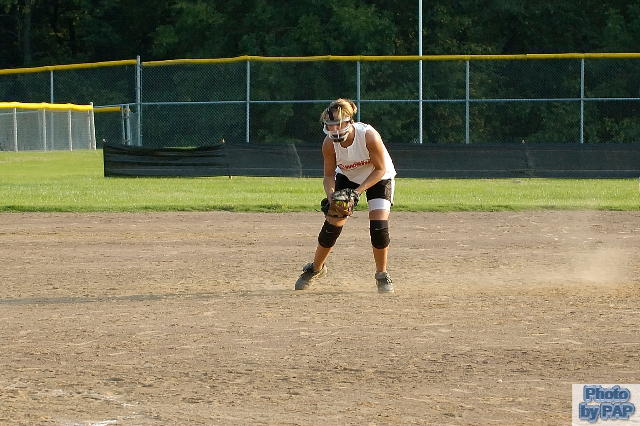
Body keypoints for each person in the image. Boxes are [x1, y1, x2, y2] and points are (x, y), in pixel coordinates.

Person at [295, 98, 397, 293]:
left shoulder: (368, 136)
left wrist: (356, 193)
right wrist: (331, 196)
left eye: (338, 124)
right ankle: (316, 268)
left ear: (350, 122)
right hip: (347, 176)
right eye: (330, 125)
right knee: (333, 223)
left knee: (378, 225)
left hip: (378, 177)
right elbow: (328, 176)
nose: (334, 129)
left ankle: (382, 274)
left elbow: (380, 169)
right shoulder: (328, 144)